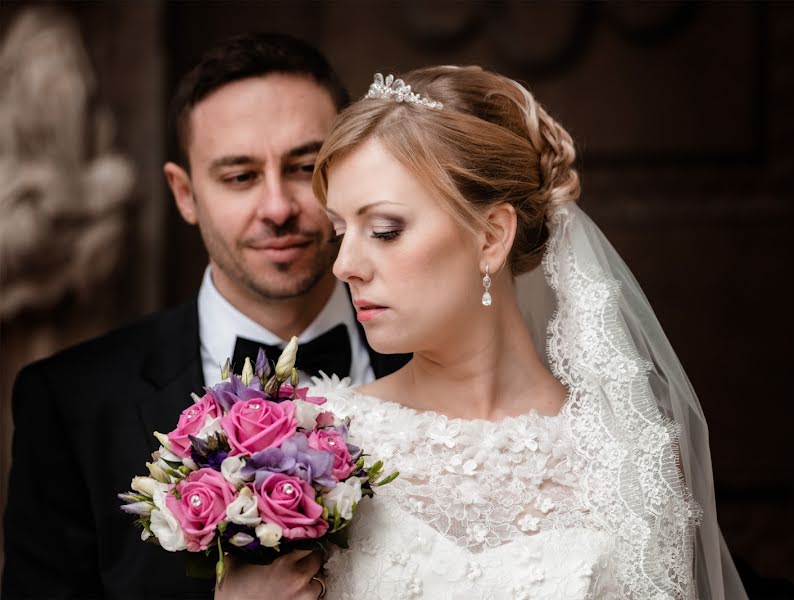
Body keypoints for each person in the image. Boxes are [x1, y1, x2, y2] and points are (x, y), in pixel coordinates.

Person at [218, 65, 752, 599]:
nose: (345, 265)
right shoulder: (307, 451)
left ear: (492, 236)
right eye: (341, 232)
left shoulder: (629, 458)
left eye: (385, 230)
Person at [2, 33, 406, 599]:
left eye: (305, 167)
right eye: (240, 176)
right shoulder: (71, 403)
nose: (277, 208)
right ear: (185, 193)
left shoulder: (449, 369)